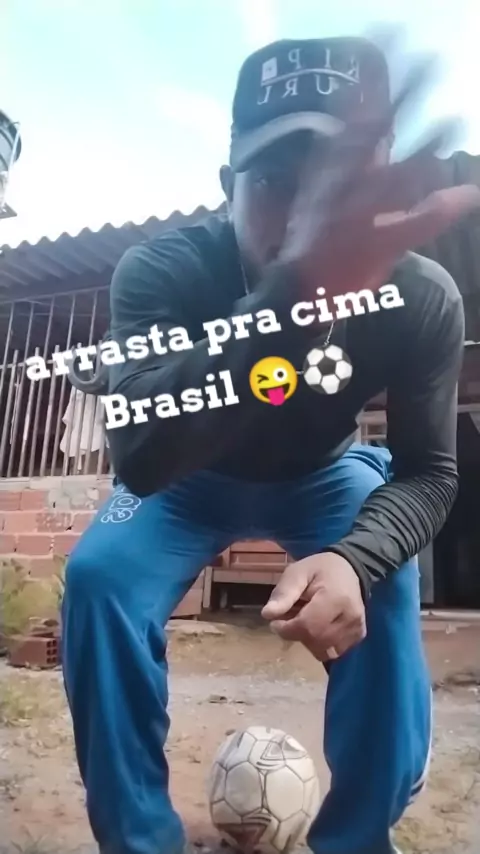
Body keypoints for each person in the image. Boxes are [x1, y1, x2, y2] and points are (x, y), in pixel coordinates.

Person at [61, 36, 480, 854]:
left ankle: (357, 836)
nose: (305, 217)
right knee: (99, 578)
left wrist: (356, 559)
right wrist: (300, 292)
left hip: (325, 475)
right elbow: (140, 456)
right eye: (274, 181)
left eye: (335, 187)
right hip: (184, 480)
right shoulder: (162, 272)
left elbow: (429, 472)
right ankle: (138, 838)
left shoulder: (422, 297)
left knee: (384, 579)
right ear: (227, 187)